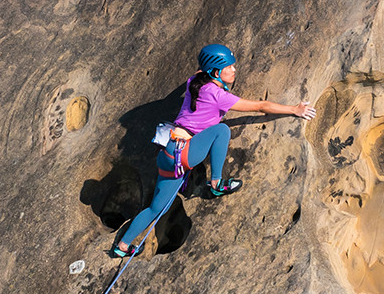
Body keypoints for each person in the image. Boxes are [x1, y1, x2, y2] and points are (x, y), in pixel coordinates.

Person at [108, 44, 316, 258]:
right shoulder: (218, 95)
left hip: (167, 153)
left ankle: (122, 245)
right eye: (229, 67)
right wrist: (294, 110)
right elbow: (260, 106)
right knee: (221, 131)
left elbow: (199, 73)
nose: (234, 70)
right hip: (185, 152)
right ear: (216, 72)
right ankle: (216, 183)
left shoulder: (194, 83)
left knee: (156, 208)